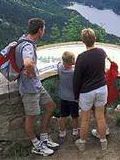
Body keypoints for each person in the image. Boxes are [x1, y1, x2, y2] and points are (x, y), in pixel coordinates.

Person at [16, 18, 59, 156]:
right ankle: (36, 145)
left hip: (36, 85)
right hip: (29, 89)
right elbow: (28, 63)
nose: (44, 32)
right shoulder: (28, 46)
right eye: (44, 29)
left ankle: (44, 138)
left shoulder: (24, 40)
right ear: (40, 30)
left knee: (51, 106)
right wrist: (31, 72)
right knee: (32, 116)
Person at [73, 28, 108, 151]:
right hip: (102, 88)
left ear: (83, 41)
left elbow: (77, 79)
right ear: (95, 39)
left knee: (85, 118)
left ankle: (82, 143)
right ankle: (103, 141)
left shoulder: (81, 57)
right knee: (100, 116)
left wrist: (76, 95)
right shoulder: (101, 52)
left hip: (87, 91)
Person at [57, 51, 79, 143]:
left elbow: (58, 64)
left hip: (63, 96)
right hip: (73, 98)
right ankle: (75, 131)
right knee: (74, 116)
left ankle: (62, 132)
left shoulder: (60, 69)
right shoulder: (74, 72)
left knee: (63, 115)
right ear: (73, 61)